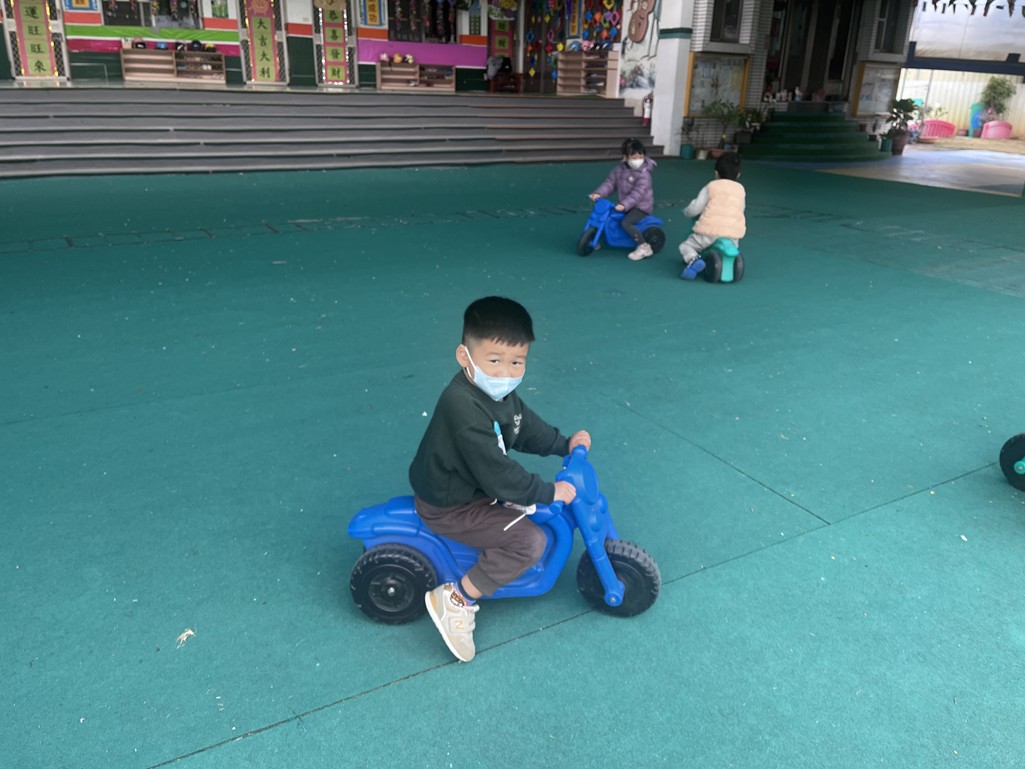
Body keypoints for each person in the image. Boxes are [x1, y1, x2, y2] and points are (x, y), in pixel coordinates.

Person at [409, 296, 591, 662]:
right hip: (453, 507)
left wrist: (563, 444)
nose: (506, 372)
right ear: (465, 356)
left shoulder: (500, 393)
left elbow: (525, 426)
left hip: (474, 488)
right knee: (530, 542)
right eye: (494, 360)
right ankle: (457, 598)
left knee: (527, 506)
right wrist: (547, 491)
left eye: (517, 362)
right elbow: (498, 473)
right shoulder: (462, 406)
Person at [678, 152, 746, 280]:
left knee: (686, 246)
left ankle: (693, 259)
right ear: (738, 174)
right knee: (733, 245)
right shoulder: (740, 190)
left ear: (716, 173)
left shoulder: (711, 186)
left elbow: (696, 207)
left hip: (708, 232)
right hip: (732, 235)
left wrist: (687, 212)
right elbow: (741, 209)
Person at [588, 138, 657, 261]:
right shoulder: (619, 170)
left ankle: (644, 246)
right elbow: (610, 184)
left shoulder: (644, 174)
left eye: (640, 156)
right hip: (626, 204)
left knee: (626, 223)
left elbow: (638, 193)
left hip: (640, 207)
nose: (638, 160)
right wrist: (599, 193)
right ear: (625, 157)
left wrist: (625, 204)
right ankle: (597, 237)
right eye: (634, 157)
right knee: (608, 216)